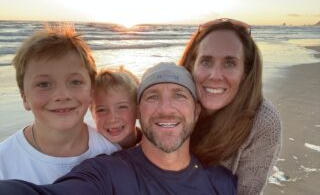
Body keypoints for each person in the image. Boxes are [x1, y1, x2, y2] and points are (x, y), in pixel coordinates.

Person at [0, 62, 236, 195]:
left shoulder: (223, 182)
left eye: (179, 95)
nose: (165, 108)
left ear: (196, 111)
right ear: (140, 112)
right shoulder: (106, 171)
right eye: (152, 97)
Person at [0, 25, 119, 184]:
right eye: (43, 84)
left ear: (91, 92)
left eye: (75, 82)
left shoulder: (111, 154)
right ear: (24, 97)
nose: (62, 95)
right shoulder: (4, 163)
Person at [179, 18, 282, 195]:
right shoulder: (172, 104)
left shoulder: (262, 121)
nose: (215, 75)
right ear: (191, 65)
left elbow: (247, 192)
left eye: (229, 63)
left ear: (245, 72)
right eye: (206, 61)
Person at [91, 67, 142, 149]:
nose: (112, 119)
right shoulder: (89, 150)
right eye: (101, 110)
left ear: (138, 112)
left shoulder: (153, 146)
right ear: (93, 115)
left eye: (122, 107)